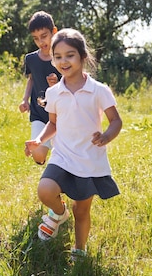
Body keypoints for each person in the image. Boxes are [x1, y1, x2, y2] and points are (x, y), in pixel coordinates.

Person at [25, 28, 122, 259]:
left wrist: (107, 136)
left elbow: (116, 121)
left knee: (82, 210)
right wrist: (39, 139)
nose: (63, 61)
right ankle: (59, 213)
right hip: (63, 156)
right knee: (45, 190)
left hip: (88, 160)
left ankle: (79, 250)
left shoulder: (99, 90)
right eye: (57, 56)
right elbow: (53, 124)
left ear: (82, 56)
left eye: (69, 55)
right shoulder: (54, 92)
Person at [19, 11, 61, 165]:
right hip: (39, 113)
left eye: (44, 36)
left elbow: (73, 84)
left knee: (62, 156)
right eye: (36, 38)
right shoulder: (31, 59)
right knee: (38, 156)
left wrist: (57, 84)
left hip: (60, 115)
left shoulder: (63, 58)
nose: (40, 42)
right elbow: (31, 79)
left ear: (54, 32)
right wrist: (25, 100)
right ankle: (44, 149)